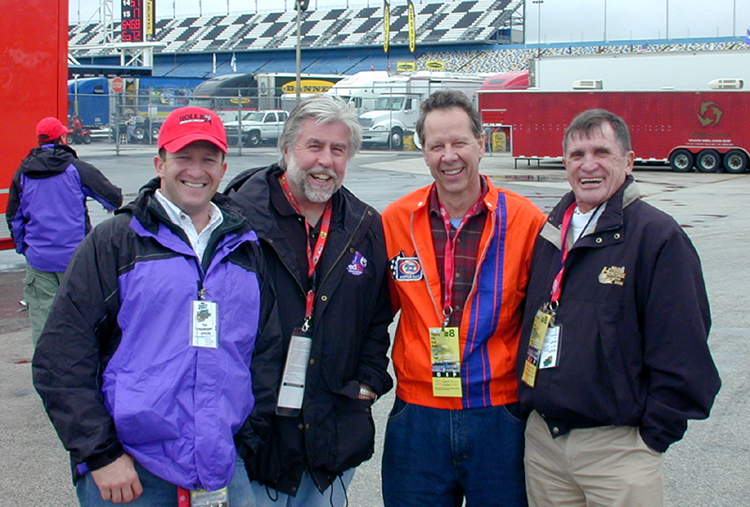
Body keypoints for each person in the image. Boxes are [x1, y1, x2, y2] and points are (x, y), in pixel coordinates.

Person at [33, 106, 282, 506]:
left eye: (208, 159)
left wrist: (244, 440)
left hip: (219, 466)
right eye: (183, 158)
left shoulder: (246, 247)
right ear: (160, 163)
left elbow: (265, 353)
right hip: (129, 470)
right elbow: (61, 356)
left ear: (223, 168)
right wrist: (100, 454)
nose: (196, 171)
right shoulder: (115, 241)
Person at [516, 109, 721, 506]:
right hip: (545, 446)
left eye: (601, 152)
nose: (588, 165)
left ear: (628, 161)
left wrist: (652, 437)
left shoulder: (657, 238)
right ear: (565, 163)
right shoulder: (551, 232)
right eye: (576, 155)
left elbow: (684, 345)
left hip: (617, 451)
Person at [224, 94, 393, 507]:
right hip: (257, 432)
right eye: (313, 145)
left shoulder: (365, 225)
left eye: (338, 150)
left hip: (332, 428)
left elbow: (377, 318)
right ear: (286, 150)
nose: (325, 161)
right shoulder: (236, 220)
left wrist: (367, 384)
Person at [380, 90, 547, 506]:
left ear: (481, 142)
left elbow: (548, 316)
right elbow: (368, 313)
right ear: (424, 152)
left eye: (459, 142)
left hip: (499, 415)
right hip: (418, 415)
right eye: (436, 145)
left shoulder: (527, 221)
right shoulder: (396, 221)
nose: (448, 156)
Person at [6, 116, 122, 344]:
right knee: (81, 319)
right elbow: (113, 198)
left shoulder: (23, 172)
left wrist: (25, 248)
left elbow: (14, 217)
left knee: (42, 321)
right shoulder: (75, 169)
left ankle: (47, 373)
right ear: (61, 137)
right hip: (76, 259)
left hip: (40, 260)